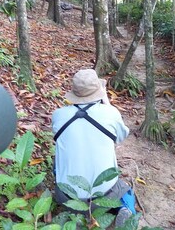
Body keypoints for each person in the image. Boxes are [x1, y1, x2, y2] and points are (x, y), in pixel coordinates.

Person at [52, 69, 135, 226]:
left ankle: (75, 216)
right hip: (103, 196)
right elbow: (121, 137)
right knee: (126, 190)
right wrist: (106, 101)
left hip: (67, 198)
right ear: (99, 91)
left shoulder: (58, 114)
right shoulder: (111, 113)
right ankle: (126, 211)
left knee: (57, 160)